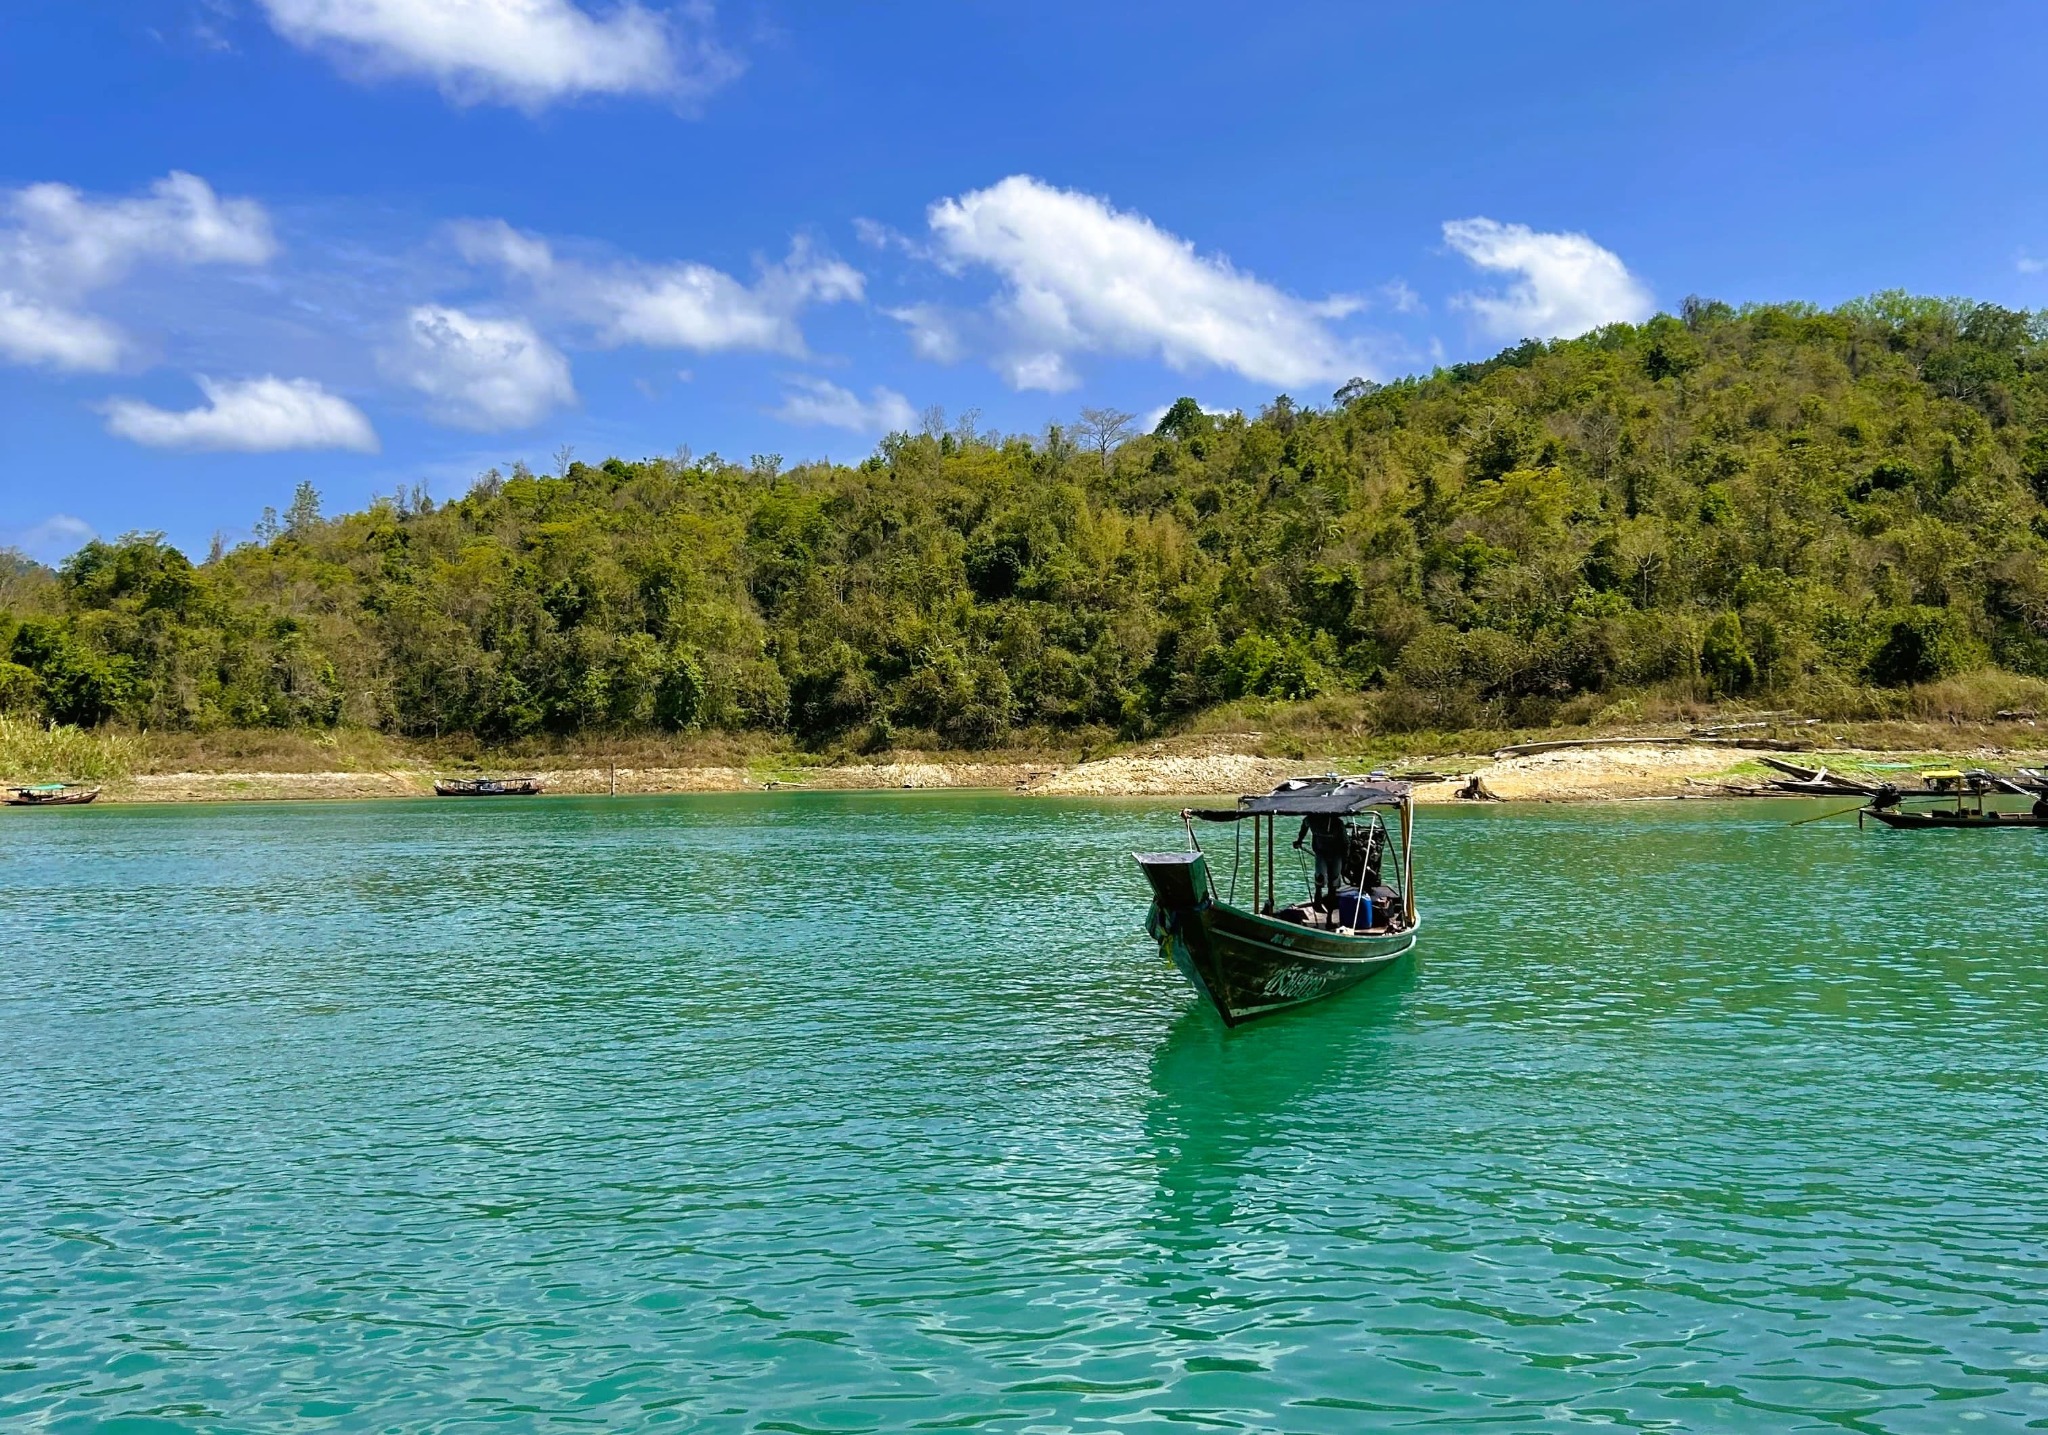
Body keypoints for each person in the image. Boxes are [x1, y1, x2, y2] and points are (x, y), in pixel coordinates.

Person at [1293, 812, 1348, 910]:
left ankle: (1330, 911)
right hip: (1321, 852)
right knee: (1320, 877)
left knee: (1333, 882)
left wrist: (1345, 862)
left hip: (1336, 853)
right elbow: (1304, 825)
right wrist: (1299, 840)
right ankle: (1317, 902)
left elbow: (1345, 844)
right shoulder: (1311, 819)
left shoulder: (1337, 823)